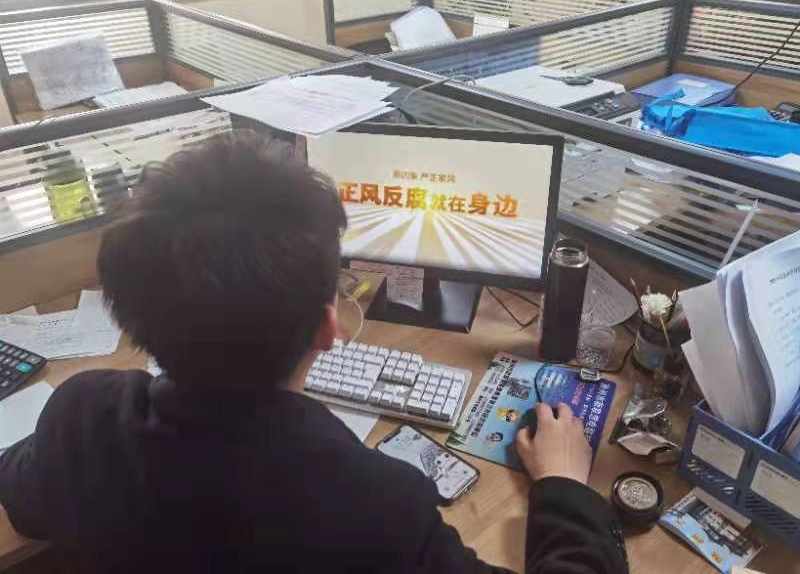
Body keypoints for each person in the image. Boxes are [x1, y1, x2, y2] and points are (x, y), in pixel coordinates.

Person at [0, 132, 628, 574]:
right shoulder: (374, 505)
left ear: (131, 312)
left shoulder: (79, 416)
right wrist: (564, 487)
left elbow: (25, 507)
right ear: (330, 327)